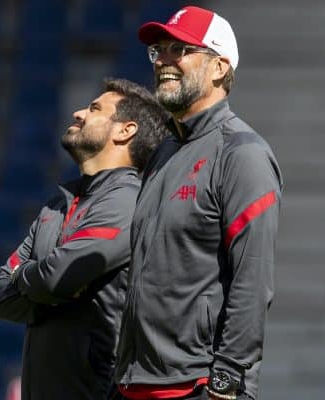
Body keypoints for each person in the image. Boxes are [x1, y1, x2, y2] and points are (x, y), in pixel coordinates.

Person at [114, 6, 283, 400]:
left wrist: (227, 382)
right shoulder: (164, 151)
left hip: (198, 386)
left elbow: (252, 279)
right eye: (159, 51)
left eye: (180, 50)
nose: (165, 62)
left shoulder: (243, 154)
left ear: (220, 67)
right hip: (135, 383)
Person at [0, 78, 171, 400]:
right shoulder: (58, 202)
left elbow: (54, 278)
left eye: (94, 108)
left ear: (125, 131)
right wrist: (51, 287)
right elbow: (2, 297)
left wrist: (34, 280)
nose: (78, 113)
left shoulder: (127, 203)